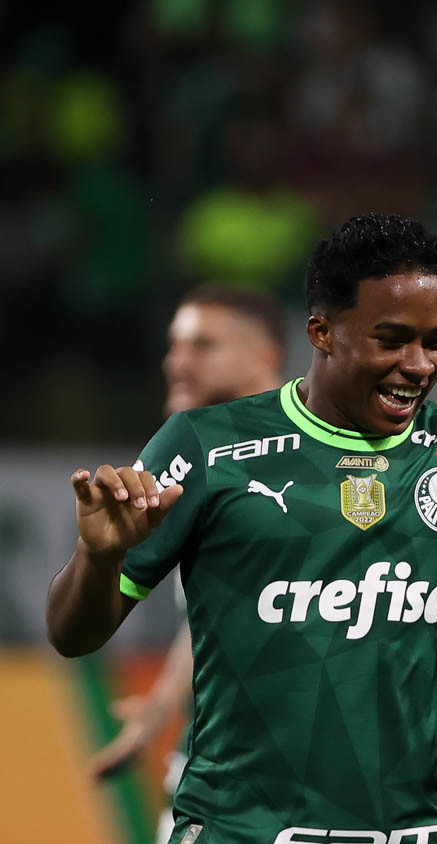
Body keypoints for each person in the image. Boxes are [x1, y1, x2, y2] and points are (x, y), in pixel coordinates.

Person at [46, 213, 437, 844]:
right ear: (322, 332)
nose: (419, 364)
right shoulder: (204, 446)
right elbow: (72, 634)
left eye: (435, 340)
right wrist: (97, 558)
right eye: (392, 338)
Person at [88, 285, 287, 844]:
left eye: (202, 345)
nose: (176, 361)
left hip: (300, 787)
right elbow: (223, 612)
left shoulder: (316, 464)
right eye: (175, 344)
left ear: (265, 355)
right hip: (210, 779)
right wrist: (162, 705)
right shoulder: (200, 453)